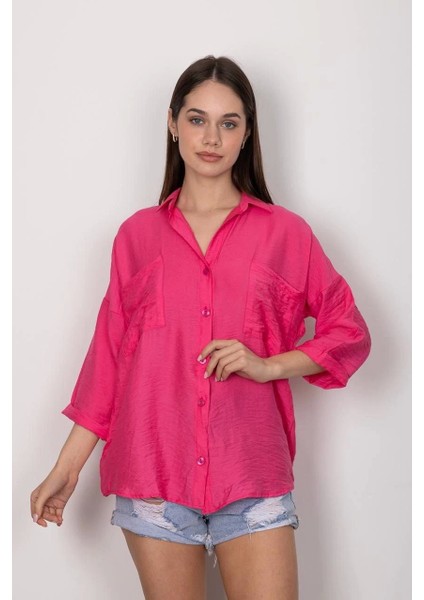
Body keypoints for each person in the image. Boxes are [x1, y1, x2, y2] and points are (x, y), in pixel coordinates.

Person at [30, 55, 371, 600]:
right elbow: (108, 363)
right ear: (172, 123)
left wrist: (268, 365)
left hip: (252, 477)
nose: (211, 138)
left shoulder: (287, 234)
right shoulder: (136, 237)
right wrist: (66, 469)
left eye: (228, 123)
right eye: (196, 119)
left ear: (247, 133)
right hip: (154, 479)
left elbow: (348, 330)